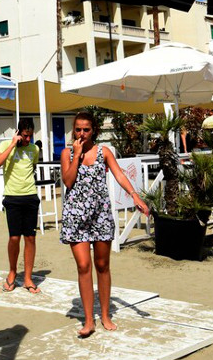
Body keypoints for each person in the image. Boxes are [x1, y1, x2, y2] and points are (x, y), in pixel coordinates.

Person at [60, 110, 148, 338]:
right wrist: (77, 156)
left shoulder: (104, 152)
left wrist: (135, 196)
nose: (81, 133)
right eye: (78, 129)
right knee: (83, 266)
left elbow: (119, 174)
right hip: (76, 217)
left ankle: (106, 315)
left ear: (94, 130)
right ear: (73, 130)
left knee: (102, 265)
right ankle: (89, 321)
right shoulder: (67, 153)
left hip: (100, 215)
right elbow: (68, 181)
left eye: (86, 129)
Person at [0, 118, 41, 294]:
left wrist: (27, 144)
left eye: (30, 135)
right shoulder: (6, 144)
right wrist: (13, 145)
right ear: (19, 133)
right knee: (14, 237)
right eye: (25, 136)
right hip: (12, 198)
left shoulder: (34, 149)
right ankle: (12, 273)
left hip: (30, 196)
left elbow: (32, 167)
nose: (28, 139)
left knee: (30, 238)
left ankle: (28, 278)